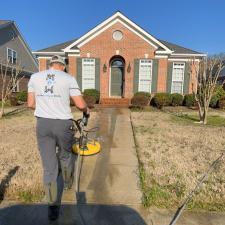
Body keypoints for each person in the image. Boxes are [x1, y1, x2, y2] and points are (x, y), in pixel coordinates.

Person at [27, 55, 89, 221]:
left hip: (43, 125)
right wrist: (86, 110)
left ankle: (52, 207)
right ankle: (68, 182)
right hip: (63, 124)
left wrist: (46, 105)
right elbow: (80, 104)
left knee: (49, 167)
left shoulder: (35, 77)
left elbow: (30, 104)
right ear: (62, 66)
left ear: (50, 65)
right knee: (66, 155)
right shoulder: (68, 78)